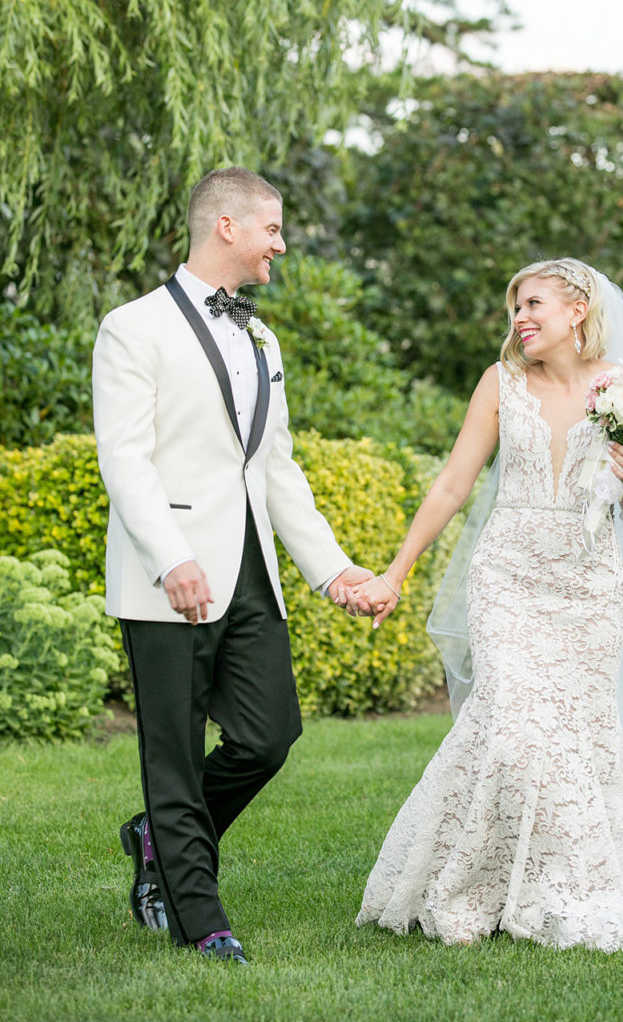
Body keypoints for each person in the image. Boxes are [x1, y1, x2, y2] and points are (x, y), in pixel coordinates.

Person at [93, 166, 372, 964]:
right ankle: (202, 920)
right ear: (226, 227)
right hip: (167, 577)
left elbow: (274, 467)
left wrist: (333, 571)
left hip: (251, 574)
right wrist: (171, 558)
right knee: (173, 754)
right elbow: (126, 461)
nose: (279, 245)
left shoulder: (260, 335)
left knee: (268, 735)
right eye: (272, 230)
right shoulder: (131, 328)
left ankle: (155, 837)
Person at [354, 258, 623, 951]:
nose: (519, 319)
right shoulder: (499, 384)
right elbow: (451, 486)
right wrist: (395, 572)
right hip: (509, 579)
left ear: (577, 308)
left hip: (588, 586)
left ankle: (559, 889)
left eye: (532, 305)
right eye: (514, 309)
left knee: (576, 745)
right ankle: (466, 885)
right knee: (517, 730)